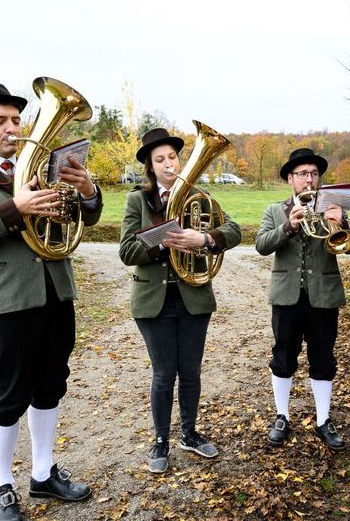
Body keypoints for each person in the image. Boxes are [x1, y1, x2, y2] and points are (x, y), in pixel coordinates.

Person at [0, 82, 101, 521]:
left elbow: (85, 217)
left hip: (55, 293)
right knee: (9, 395)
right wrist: (16, 208)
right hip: (6, 302)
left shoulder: (41, 166)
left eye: (16, 120)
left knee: (51, 385)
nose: (12, 128)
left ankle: (43, 474)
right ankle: (2, 486)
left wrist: (86, 191)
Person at [119, 128, 242, 474]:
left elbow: (234, 231)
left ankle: (189, 433)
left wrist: (203, 237)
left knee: (190, 371)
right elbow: (127, 251)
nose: (168, 164)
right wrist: (165, 241)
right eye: (160, 160)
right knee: (163, 373)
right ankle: (161, 440)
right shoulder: (137, 201)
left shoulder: (198, 195)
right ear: (151, 167)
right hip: (152, 301)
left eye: (172, 157)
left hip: (193, 299)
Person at [255, 148, 350, 452]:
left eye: (314, 174)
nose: (309, 179)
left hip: (323, 296)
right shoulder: (275, 210)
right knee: (283, 355)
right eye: (302, 174)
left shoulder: (332, 206)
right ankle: (282, 416)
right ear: (290, 178)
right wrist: (288, 226)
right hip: (286, 295)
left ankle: (324, 420)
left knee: (323, 358)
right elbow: (261, 245)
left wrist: (341, 224)